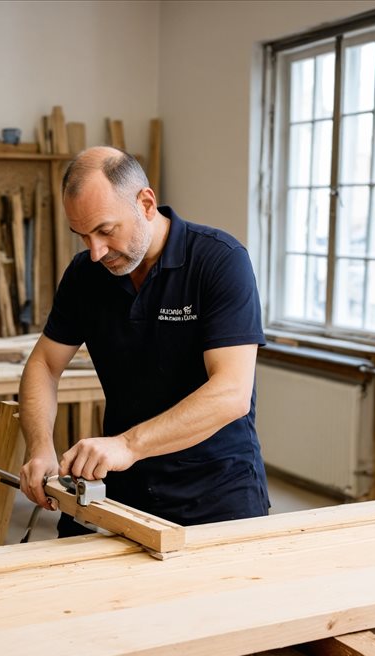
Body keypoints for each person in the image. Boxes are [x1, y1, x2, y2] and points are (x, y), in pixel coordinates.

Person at [18, 146, 269, 537]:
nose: (96, 251)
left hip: (215, 490)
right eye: (83, 235)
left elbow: (232, 392)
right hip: (118, 484)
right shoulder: (86, 274)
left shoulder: (219, 261)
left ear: (146, 203)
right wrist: (39, 447)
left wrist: (128, 445)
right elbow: (44, 365)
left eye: (105, 230)